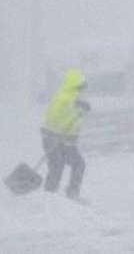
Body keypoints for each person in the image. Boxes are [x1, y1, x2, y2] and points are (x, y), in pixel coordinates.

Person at [41, 68, 91, 201]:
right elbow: (57, 118)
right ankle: (48, 197)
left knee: (77, 164)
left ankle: (70, 193)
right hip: (54, 139)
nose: (84, 91)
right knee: (57, 166)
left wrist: (80, 110)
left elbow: (71, 121)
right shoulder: (65, 99)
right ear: (75, 87)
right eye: (81, 88)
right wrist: (78, 109)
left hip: (64, 141)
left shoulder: (70, 98)